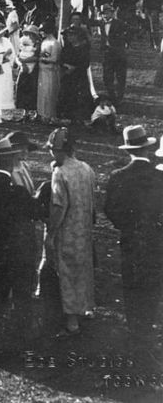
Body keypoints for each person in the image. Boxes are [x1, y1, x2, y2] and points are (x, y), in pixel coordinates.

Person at [0, 138, 44, 357]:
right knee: (22, 293)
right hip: (19, 250)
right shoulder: (18, 191)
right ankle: (21, 337)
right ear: (11, 160)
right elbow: (34, 213)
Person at [105, 125, 163, 354]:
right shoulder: (159, 177)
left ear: (129, 150)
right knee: (152, 284)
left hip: (130, 239)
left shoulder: (118, 177)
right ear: (148, 149)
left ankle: (135, 330)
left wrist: (127, 226)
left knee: (131, 283)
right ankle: (147, 329)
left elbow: (110, 209)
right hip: (156, 239)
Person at [40, 127, 96, 337]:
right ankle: (87, 308)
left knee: (67, 273)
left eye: (53, 150)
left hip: (67, 230)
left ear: (61, 150)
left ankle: (72, 322)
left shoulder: (60, 172)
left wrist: (51, 233)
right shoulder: (86, 168)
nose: (51, 154)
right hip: (84, 228)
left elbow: (58, 206)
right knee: (84, 269)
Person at [58, 27, 93, 126]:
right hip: (68, 76)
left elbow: (85, 63)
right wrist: (66, 66)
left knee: (80, 96)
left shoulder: (83, 48)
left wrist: (75, 68)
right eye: (69, 35)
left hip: (79, 76)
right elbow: (61, 59)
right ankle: (67, 117)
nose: (70, 37)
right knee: (67, 95)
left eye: (72, 35)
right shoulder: (67, 47)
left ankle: (80, 118)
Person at [99, 4, 129, 106]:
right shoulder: (102, 23)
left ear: (112, 13)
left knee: (120, 76)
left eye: (107, 12)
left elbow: (129, 31)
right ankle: (112, 97)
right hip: (107, 53)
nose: (105, 15)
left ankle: (120, 97)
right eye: (103, 13)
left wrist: (125, 44)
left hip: (118, 53)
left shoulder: (119, 23)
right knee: (107, 77)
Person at [37, 20, 63, 124]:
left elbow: (55, 58)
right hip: (42, 70)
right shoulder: (44, 42)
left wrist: (43, 59)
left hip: (51, 71)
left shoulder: (55, 43)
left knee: (50, 92)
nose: (41, 33)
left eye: (43, 31)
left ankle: (51, 115)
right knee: (43, 92)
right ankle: (43, 114)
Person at [15, 25, 41, 122]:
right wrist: (21, 63)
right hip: (23, 69)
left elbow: (37, 57)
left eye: (32, 34)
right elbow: (17, 55)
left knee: (32, 90)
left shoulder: (37, 44)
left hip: (34, 69)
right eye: (28, 34)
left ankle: (34, 113)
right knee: (22, 88)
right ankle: (25, 113)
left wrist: (25, 60)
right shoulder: (23, 42)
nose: (30, 36)